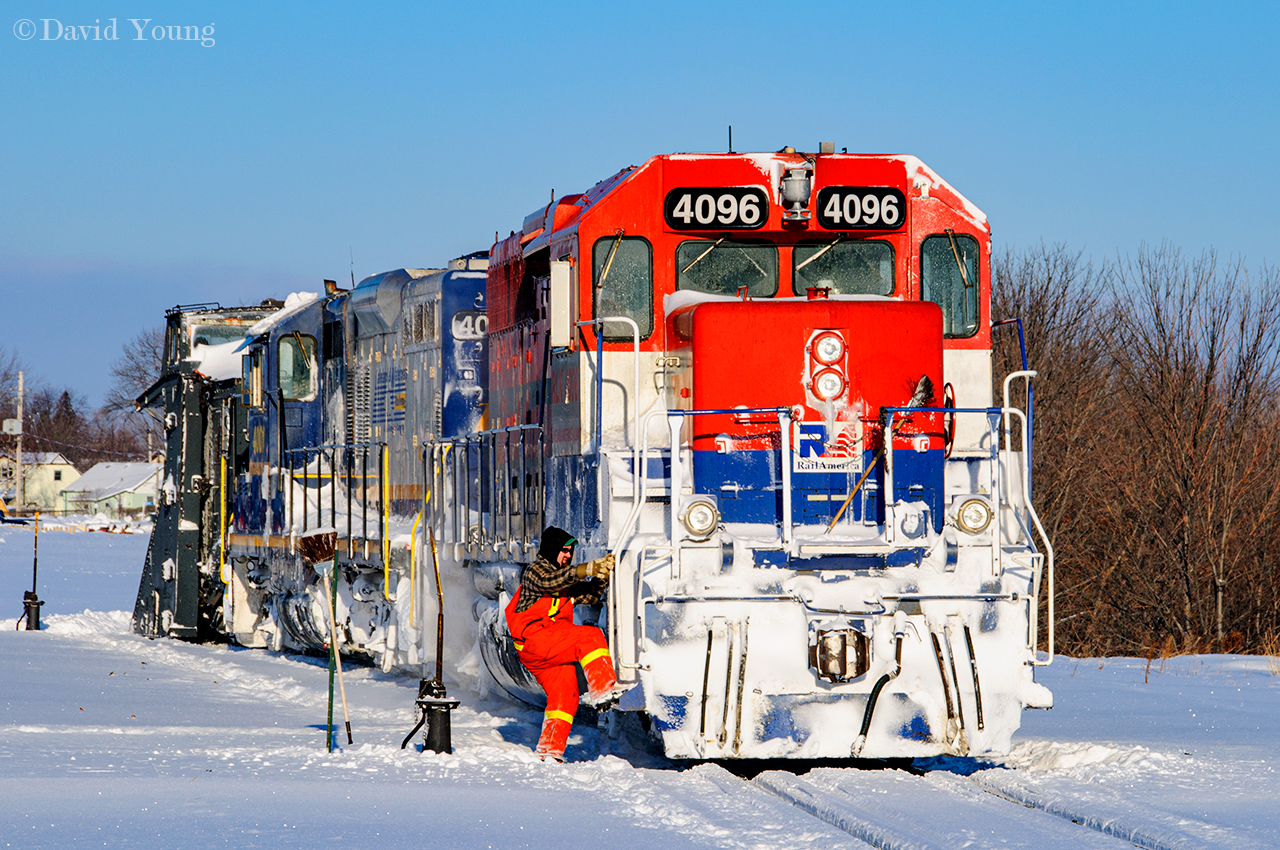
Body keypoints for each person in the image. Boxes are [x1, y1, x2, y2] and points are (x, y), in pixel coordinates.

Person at [505, 526, 626, 761]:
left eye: (570, 551)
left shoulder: (563, 581)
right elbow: (550, 581)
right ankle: (602, 689)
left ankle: (549, 751)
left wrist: (601, 577)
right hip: (536, 641)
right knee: (589, 637)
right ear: (551, 550)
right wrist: (586, 568)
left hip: (548, 650)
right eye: (563, 551)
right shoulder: (535, 572)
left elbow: (588, 595)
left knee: (565, 696)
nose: (568, 556)